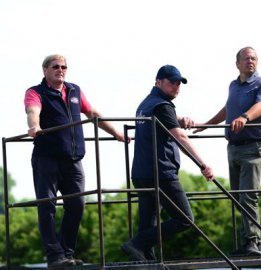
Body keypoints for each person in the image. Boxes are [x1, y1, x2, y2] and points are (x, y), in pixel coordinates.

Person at [24, 54, 129, 268]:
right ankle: (54, 256)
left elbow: (92, 112)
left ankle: (66, 253)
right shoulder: (35, 92)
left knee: (77, 204)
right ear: (45, 70)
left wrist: (116, 133)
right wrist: (34, 126)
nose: (60, 70)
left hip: (73, 160)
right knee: (47, 206)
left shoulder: (74, 90)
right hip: (47, 158)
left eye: (63, 67)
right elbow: (32, 110)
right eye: (55, 67)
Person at [121, 65, 214, 261]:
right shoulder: (162, 106)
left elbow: (165, 120)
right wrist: (203, 165)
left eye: (179, 83)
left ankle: (143, 257)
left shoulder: (146, 104)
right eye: (172, 82)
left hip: (141, 172)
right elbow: (181, 137)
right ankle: (136, 244)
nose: (176, 86)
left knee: (148, 221)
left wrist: (180, 119)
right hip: (161, 172)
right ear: (158, 82)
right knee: (185, 219)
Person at [194, 47, 261, 256]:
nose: (251, 61)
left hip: (253, 147)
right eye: (247, 58)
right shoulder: (233, 85)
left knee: (248, 195)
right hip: (234, 148)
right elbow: (228, 109)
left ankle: (254, 242)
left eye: (254, 58)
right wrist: (207, 124)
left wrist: (245, 118)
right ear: (237, 63)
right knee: (238, 196)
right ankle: (247, 241)